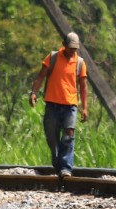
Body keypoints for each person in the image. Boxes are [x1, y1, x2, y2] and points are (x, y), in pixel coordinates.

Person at [29, 32, 88, 179]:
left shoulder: (80, 63)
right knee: (52, 137)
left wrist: (85, 108)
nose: (72, 51)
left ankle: (65, 168)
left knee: (69, 135)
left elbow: (83, 86)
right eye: (70, 48)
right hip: (52, 104)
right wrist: (34, 92)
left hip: (70, 105)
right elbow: (41, 76)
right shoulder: (53, 57)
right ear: (64, 45)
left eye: (75, 49)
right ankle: (57, 161)